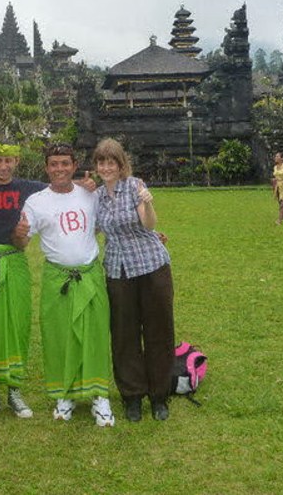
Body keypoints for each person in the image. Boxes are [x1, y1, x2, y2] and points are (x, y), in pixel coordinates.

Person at [14, 143, 116, 427]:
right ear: (46, 168)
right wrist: (19, 234)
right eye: (54, 164)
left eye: (65, 163)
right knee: (59, 336)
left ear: (74, 166)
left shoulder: (89, 194)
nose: (59, 169)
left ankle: (99, 395)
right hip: (57, 279)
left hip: (89, 274)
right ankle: (65, 393)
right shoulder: (36, 202)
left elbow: (102, 225)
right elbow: (21, 242)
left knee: (95, 334)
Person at [93, 138, 174, 422]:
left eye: (111, 162)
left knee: (158, 330)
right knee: (124, 334)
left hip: (151, 265)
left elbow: (149, 224)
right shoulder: (98, 197)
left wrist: (148, 205)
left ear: (120, 164)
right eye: (101, 162)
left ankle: (159, 395)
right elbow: (91, 231)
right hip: (118, 269)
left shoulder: (134, 186)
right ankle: (132, 396)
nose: (106, 167)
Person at [0, 142, 46, 421]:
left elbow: (61, 189)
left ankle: (14, 389)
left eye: (9, 161)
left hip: (14, 261)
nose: (3, 166)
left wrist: (86, 185)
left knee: (18, 323)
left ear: (16, 161)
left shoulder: (28, 188)